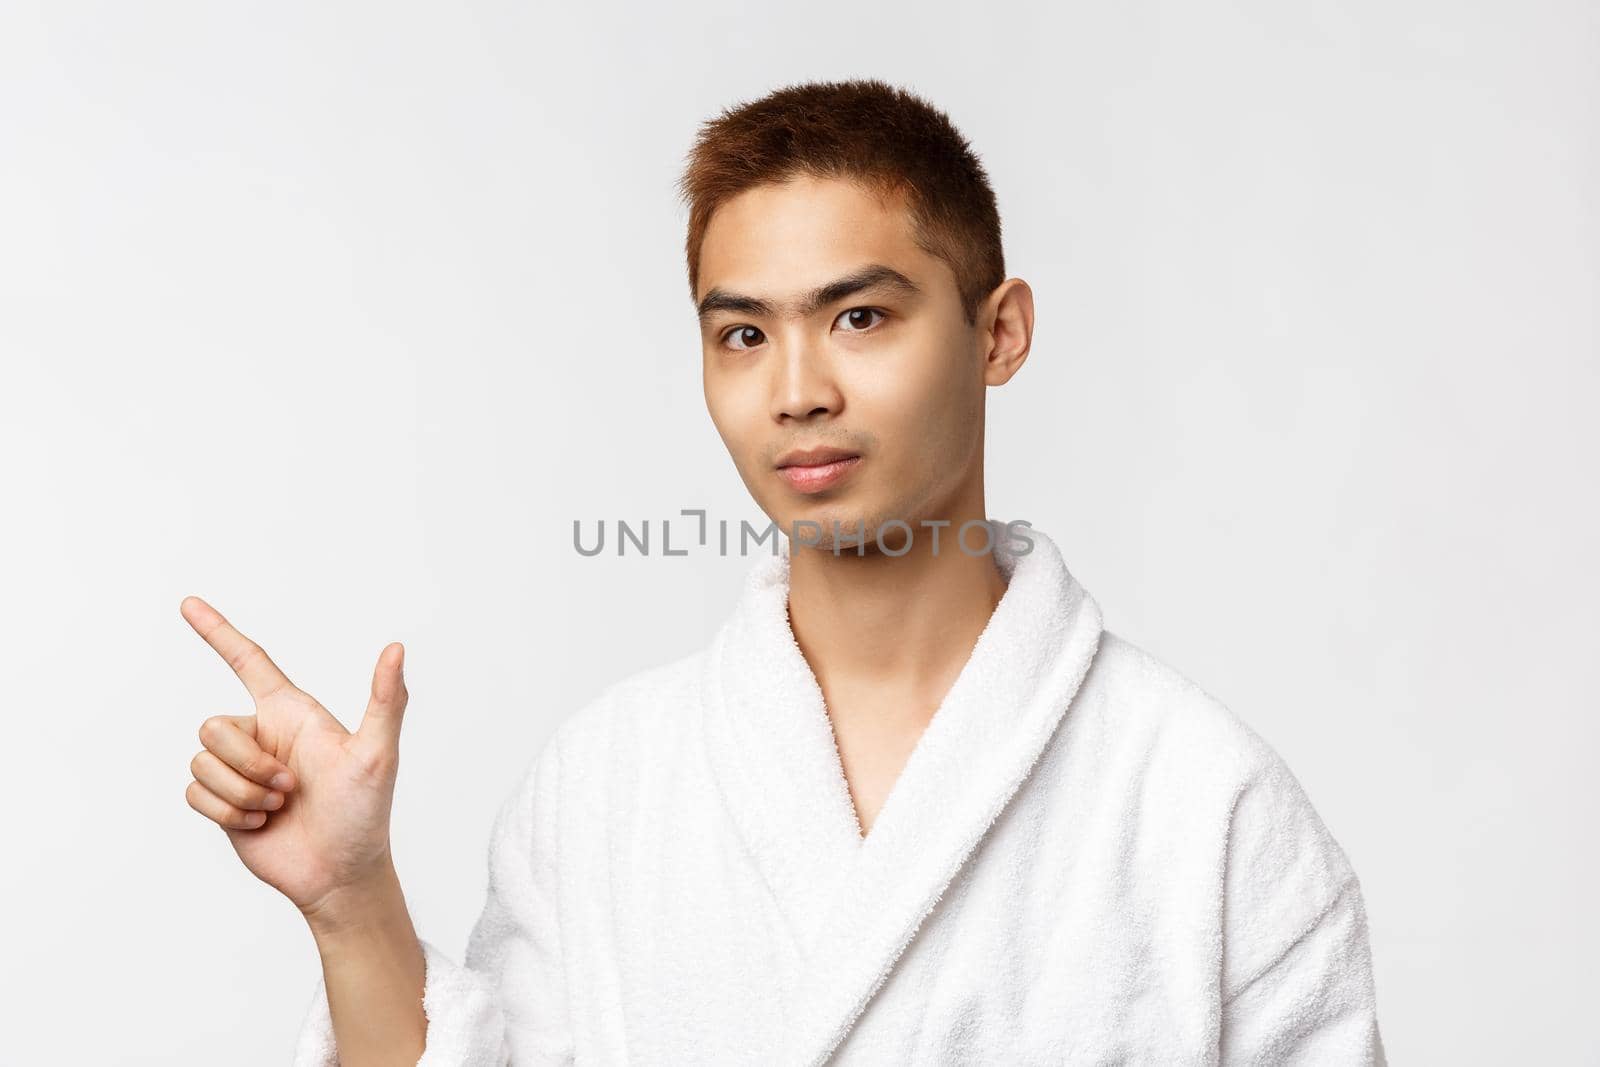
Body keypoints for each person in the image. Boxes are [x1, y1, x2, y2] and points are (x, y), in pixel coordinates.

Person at [182, 78, 1386, 1065]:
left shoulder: (1203, 804)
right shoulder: (604, 786)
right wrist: (351, 900)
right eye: (743, 334)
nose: (797, 389)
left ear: (999, 331)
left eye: (860, 317)